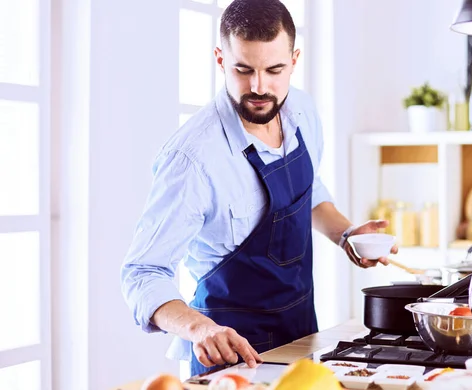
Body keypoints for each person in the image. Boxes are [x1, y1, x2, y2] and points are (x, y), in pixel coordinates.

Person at [120, 0, 397, 377]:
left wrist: (346, 233)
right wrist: (198, 327)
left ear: (295, 59)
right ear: (220, 59)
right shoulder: (192, 158)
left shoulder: (301, 110)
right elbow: (142, 272)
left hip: (302, 337)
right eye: (243, 69)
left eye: (275, 69)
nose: (259, 87)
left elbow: (308, 189)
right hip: (230, 359)